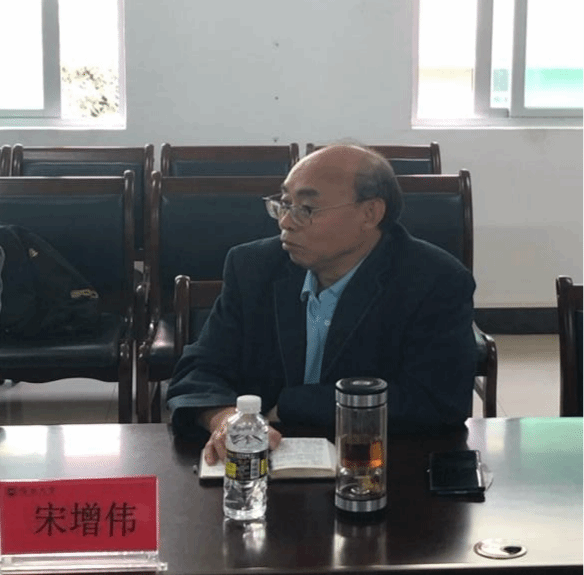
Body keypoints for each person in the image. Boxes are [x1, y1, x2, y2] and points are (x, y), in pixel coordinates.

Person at [167, 144, 476, 464]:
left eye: (306, 208)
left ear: (370, 213)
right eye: (284, 204)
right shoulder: (253, 266)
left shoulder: (434, 280)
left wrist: (292, 405)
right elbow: (199, 370)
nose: (286, 222)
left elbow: (438, 401)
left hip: (379, 465)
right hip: (263, 470)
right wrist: (226, 419)